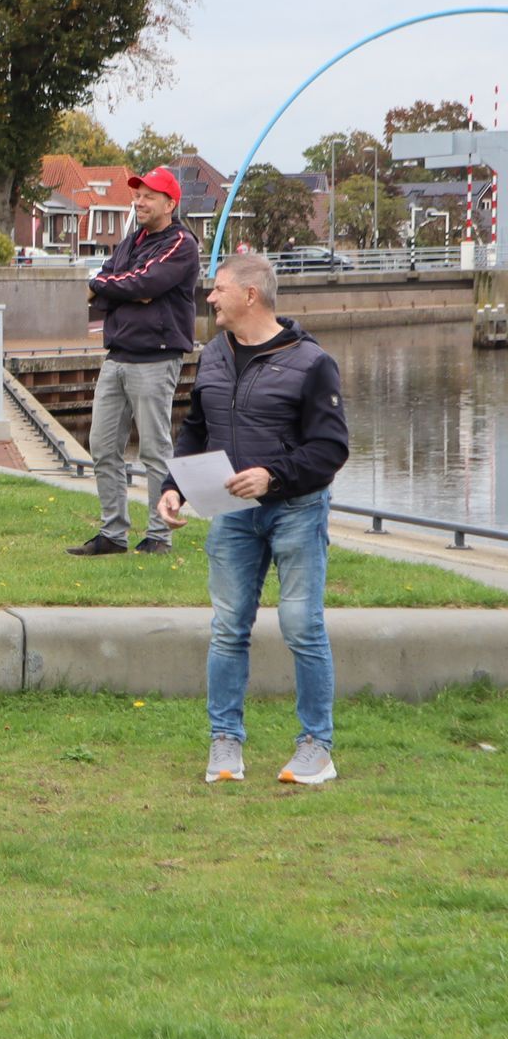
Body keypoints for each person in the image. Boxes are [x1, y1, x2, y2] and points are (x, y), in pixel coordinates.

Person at [156, 254, 349, 787]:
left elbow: (331, 449)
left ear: (250, 296)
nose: (209, 298)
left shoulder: (312, 363)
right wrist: (174, 487)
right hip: (233, 515)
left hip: (296, 511)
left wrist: (273, 476)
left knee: (301, 627)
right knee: (227, 628)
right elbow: (196, 428)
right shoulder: (214, 355)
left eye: (218, 289)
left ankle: (317, 746)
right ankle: (226, 743)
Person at [69, 167, 201, 558]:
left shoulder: (181, 243)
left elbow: (144, 284)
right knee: (102, 445)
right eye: (138, 195)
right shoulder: (130, 242)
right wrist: (118, 288)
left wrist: (116, 287)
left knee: (154, 450)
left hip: (156, 358)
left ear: (170, 203)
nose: (139, 202)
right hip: (118, 355)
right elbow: (109, 284)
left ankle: (159, 536)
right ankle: (113, 534)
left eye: (149, 196)